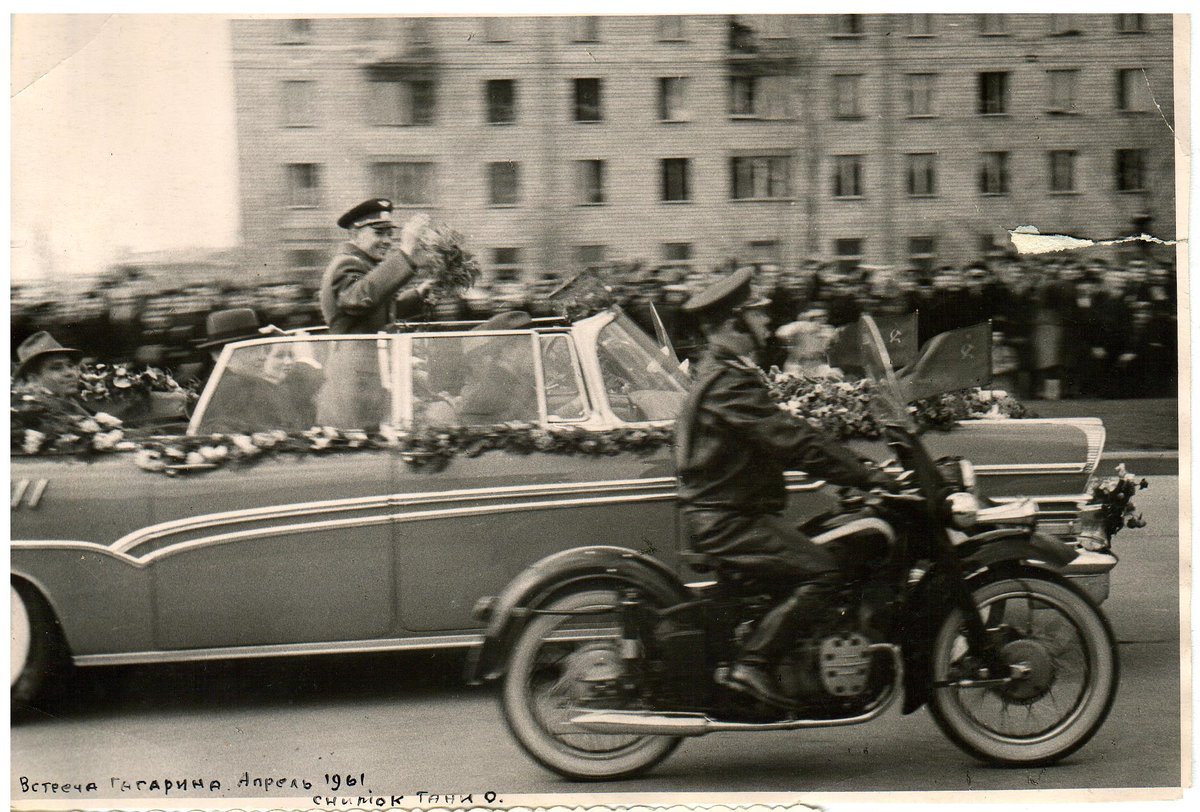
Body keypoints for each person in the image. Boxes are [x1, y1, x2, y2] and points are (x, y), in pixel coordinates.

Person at [674, 267, 895, 706]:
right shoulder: (727, 380)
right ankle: (751, 665)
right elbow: (787, 438)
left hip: (730, 510)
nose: (766, 322)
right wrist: (864, 473)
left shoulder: (725, 369)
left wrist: (845, 475)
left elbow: (779, 437)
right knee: (823, 572)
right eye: (756, 314)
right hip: (728, 520)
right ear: (735, 322)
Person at [319, 198, 436, 334]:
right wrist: (406, 248)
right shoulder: (346, 263)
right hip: (359, 355)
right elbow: (361, 299)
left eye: (389, 234)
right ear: (354, 234)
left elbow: (382, 310)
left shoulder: (363, 265)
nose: (387, 241)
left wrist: (419, 294)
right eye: (379, 233)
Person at [12, 331, 91, 417]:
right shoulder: (31, 413)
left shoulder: (71, 402)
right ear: (33, 379)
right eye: (56, 368)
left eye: (70, 365)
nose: (70, 373)